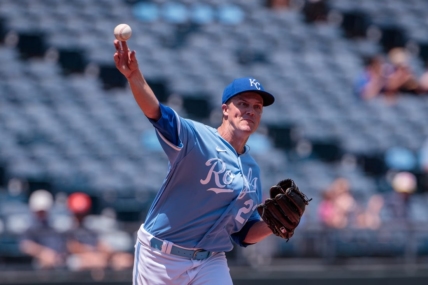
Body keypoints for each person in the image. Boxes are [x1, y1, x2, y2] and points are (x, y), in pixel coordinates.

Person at [113, 39, 277, 285]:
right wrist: (135, 77)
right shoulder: (197, 137)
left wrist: (274, 225)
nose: (250, 111)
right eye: (242, 103)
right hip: (160, 256)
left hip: (209, 261)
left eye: (257, 107)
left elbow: (243, 233)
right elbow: (157, 113)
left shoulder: (252, 169)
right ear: (225, 109)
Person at [19, 189, 67, 269]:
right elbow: (25, 246)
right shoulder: (30, 229)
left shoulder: (55, 228)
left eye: (43, 211)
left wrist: (56, 257)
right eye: (39, 211)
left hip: (57, 263)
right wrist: (43, 253)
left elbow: (62, 247)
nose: (41, 214)